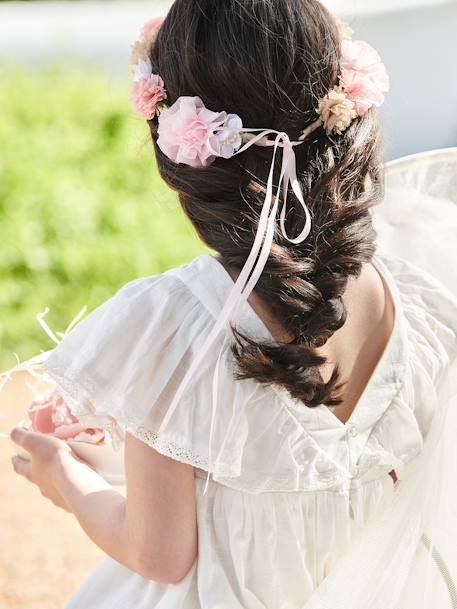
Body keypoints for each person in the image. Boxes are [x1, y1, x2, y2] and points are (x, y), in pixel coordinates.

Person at [8, 1, 457, 607]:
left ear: (179, 152)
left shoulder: (169, 328)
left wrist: (67, 479)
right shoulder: (417, 297)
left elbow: (161, 554)